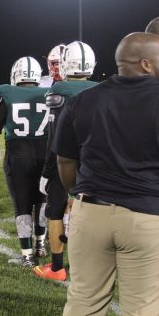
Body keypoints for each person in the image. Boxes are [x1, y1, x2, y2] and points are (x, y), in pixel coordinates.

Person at [54, 32, 159, 316]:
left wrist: (77, 194)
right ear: (147, 64)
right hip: (146, 216)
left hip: (89, 211)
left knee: (83, 302)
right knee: (142, 308)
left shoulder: (83, 100)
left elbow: (65, 160)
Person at [34, 41, 97, 281]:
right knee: (93, 212)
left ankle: (58, 267)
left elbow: (55, 137)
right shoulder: (104, 88)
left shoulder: (59, 89)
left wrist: (47, 170)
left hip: (66, 162)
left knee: (56, 212)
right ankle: (91, 268)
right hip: (96, 163)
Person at [0, 57, 49, 268]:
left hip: (18, 155)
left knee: (22, 205)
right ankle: (41, 244)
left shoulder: (7, 91)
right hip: (44, 155)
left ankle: (27, 254)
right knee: (41, 201)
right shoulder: (48, 92)